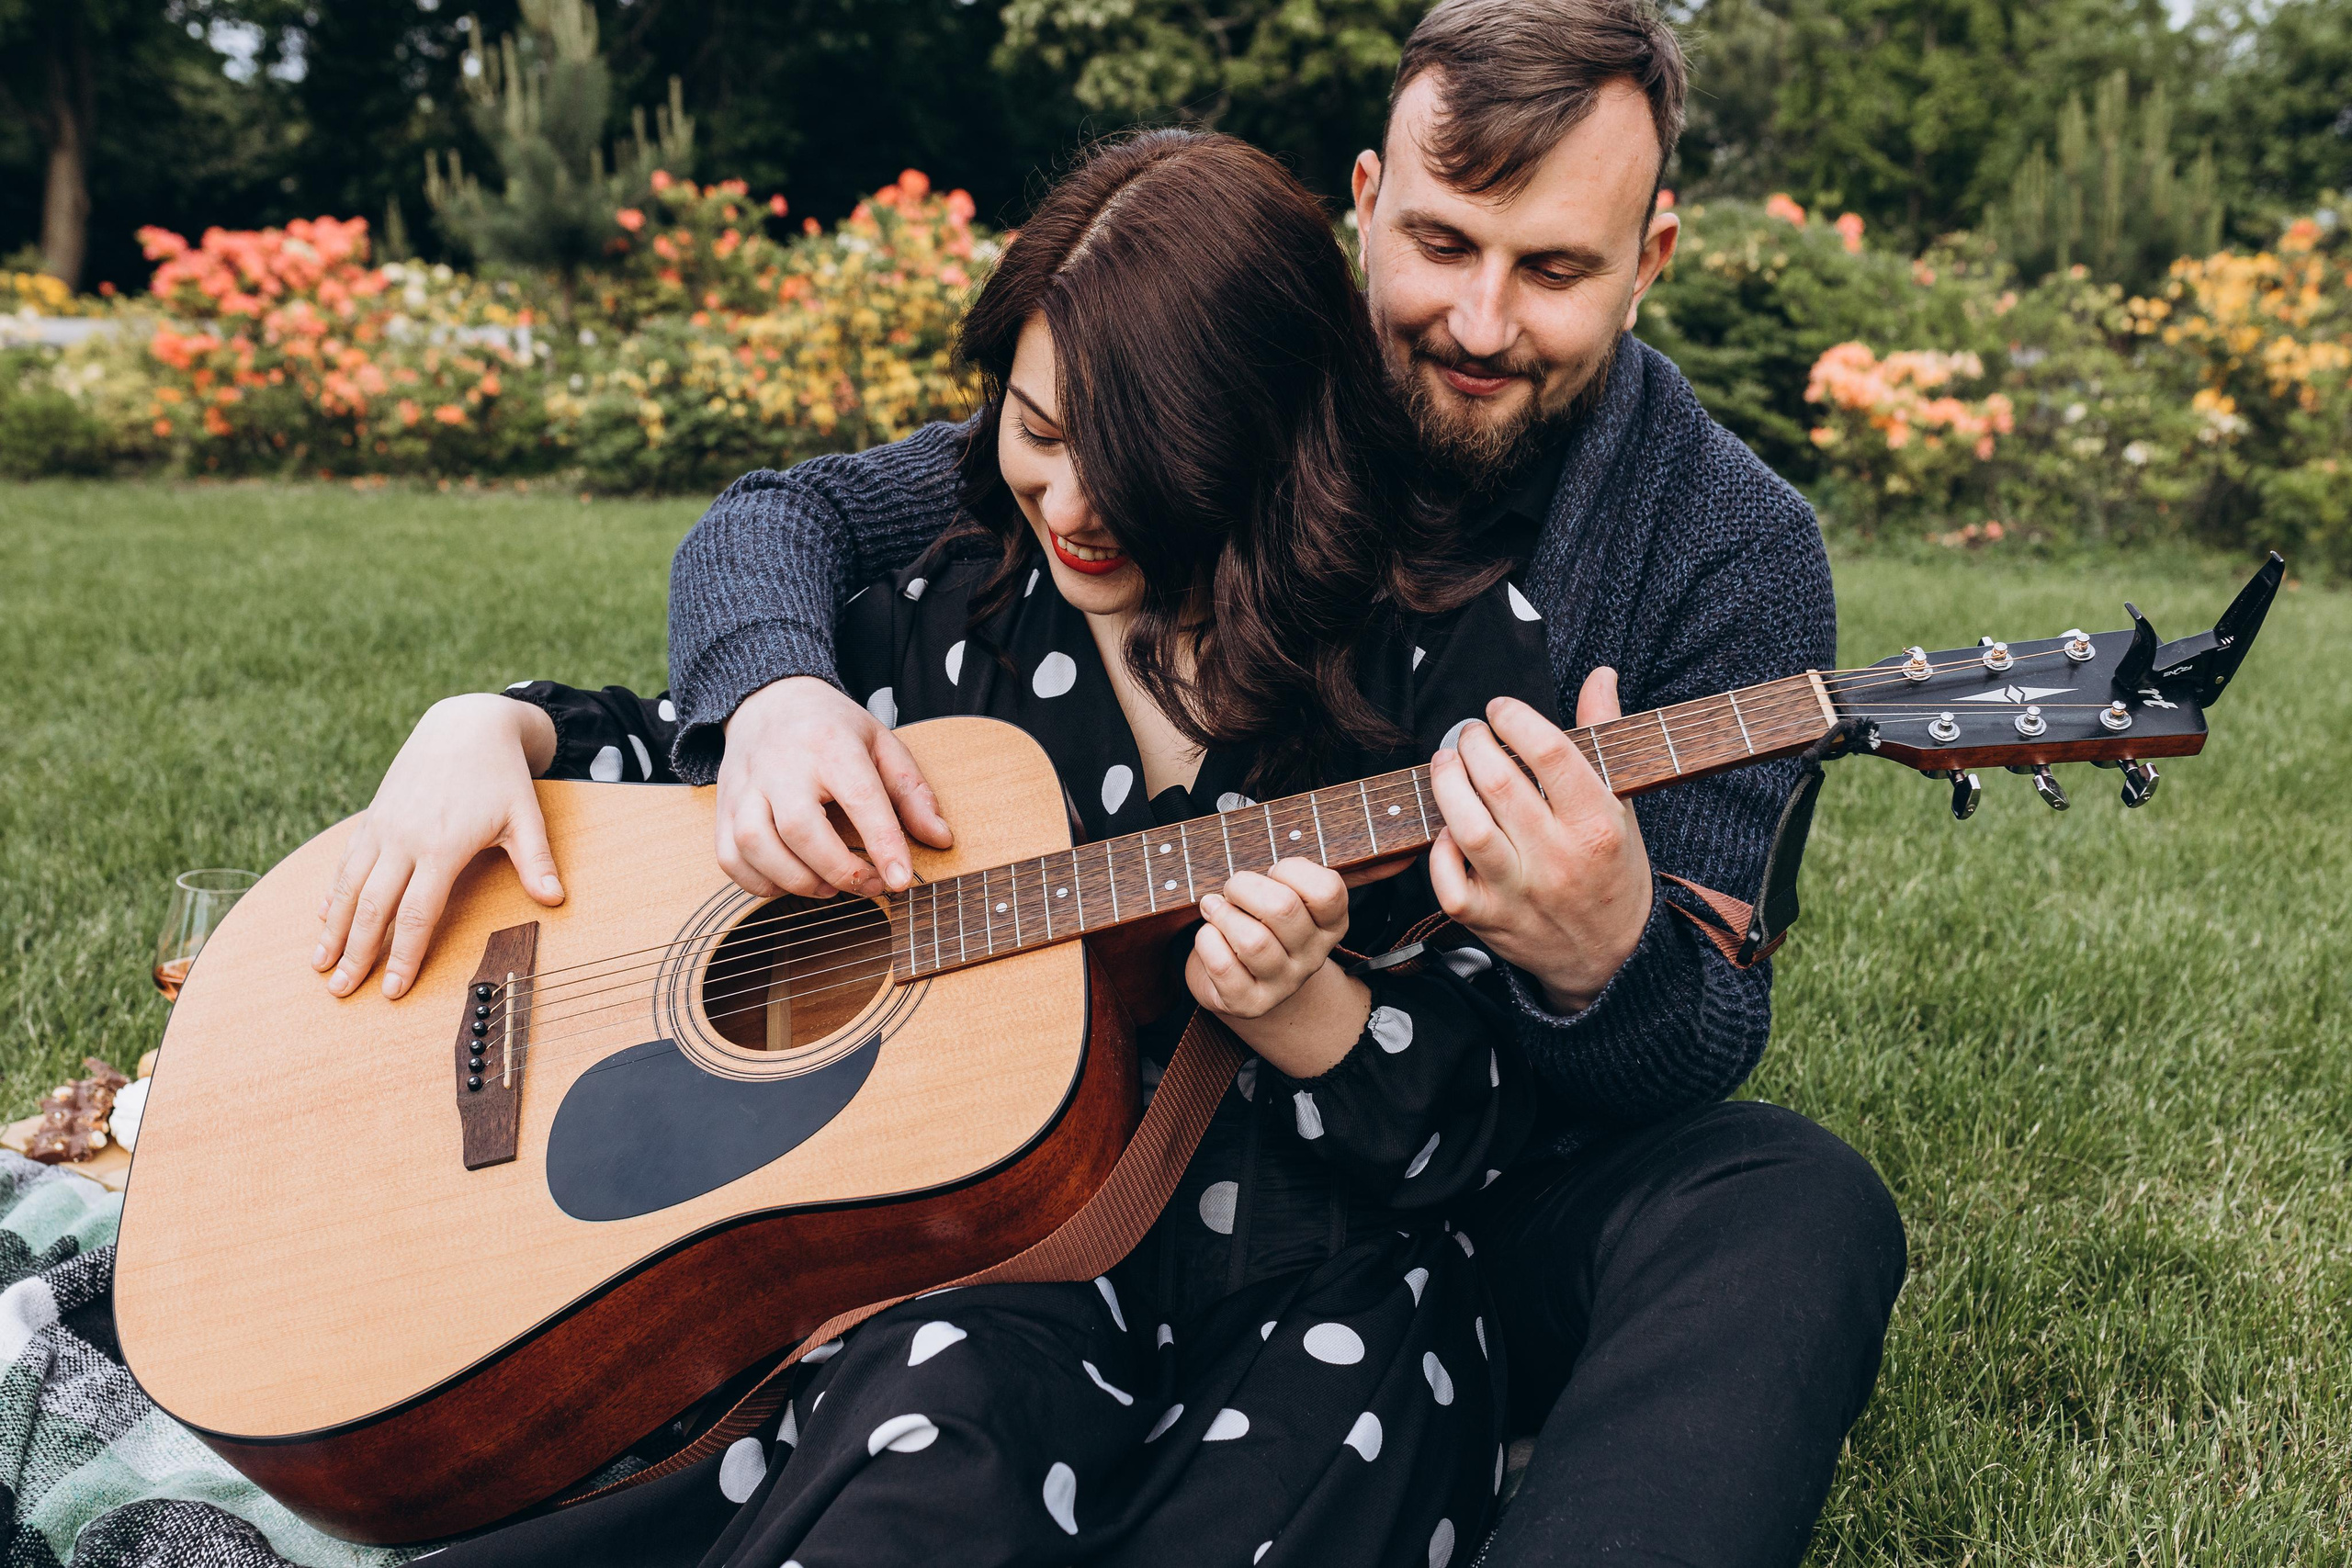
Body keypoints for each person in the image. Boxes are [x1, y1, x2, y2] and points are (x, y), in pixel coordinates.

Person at [587, 2, 1912, 1562]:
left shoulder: (1734, 555)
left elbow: (1699, 1038)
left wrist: (1603, 953)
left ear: (1651, 256)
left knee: (1792, 1201)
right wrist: (772, 695)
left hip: (1467, 1171)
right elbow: (812, 516)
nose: (1480, 321)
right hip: (1106, 1148)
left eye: (1553, 270)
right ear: (1366, 202)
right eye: (1440, 243)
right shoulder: (1240, 366)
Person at [319, 131, 1572, 1567]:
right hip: (990, 1275)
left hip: (1298, 1278)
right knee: (933, 1438)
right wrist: (494, 725)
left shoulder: (1444, 656)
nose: (1072, 505)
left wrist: (1316, 1013)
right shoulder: (954, 612)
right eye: (1037, 431)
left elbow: (1501, 1111)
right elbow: (692, 784)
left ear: (1276, 440)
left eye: (1140, 467)